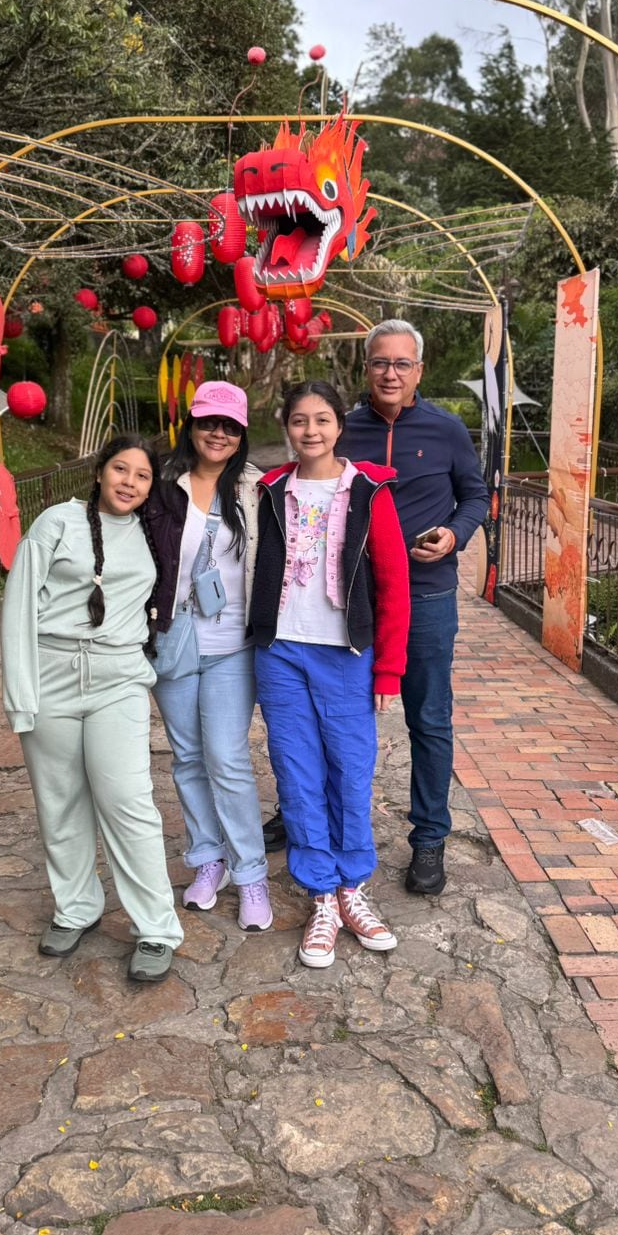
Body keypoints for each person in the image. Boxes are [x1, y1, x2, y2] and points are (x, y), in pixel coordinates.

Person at [1, 433, 183, 984]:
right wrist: (21, 694)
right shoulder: (57, 522)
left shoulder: (155, 532)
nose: (129, 482)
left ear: (152, 485)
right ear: (100, 471)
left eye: (142, 475)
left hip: (118, 677)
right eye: (120, 469)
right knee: (59, 801)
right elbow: (19, 606)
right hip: (52, 672)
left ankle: (155, 927)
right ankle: (76, 906)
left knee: (127, 801)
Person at [251, 379, 410, 968]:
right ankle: (321, 893)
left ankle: (352, 887)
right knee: (295, 772)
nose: (310, 431)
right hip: (282, 651)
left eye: (321, 420)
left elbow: (395, 586)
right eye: (298, 421)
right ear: (286, 427)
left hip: (347, 654)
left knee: (351, 768)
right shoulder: (270, 489)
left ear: (339, 426)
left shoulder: (368, 491)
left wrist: (389, 669)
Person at [330, 319, 491, 895]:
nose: (389, 373)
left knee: (427, 717)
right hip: (352, 596)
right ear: (365, 368)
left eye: (401, 363)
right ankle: (324, 822)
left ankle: (428, 838)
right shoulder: (342, 430)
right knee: (337, 716)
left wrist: (454, 535)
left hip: (427, 594)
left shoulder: (446, 429)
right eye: (379, 362)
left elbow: (475, 495)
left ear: (419, 370)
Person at [145, 381, 272, 931]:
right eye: (208, 422)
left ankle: (251, 874)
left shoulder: (257, 489)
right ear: (191, 425)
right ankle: (207, 860)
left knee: (227, 758)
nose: (217, 433)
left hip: (231, 649)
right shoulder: (160, 483)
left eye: (229, 426)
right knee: (188, 759)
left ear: (241, 433)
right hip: (174, 642)